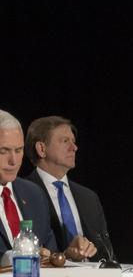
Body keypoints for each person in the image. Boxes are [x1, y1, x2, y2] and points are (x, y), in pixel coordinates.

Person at [24, 115, 113, 261]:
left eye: (73, 141)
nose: (74, 148)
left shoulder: (89, 198)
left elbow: (107, 253)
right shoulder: (23, 195)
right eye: (65, 141)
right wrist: (65, 256)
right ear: (41, 149)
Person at [0, 109, 84, 262]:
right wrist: (10, 258)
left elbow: (49, 253)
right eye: (3, 151)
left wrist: (65, 256)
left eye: (18, 150)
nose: (13, 161)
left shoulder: (34, 194)